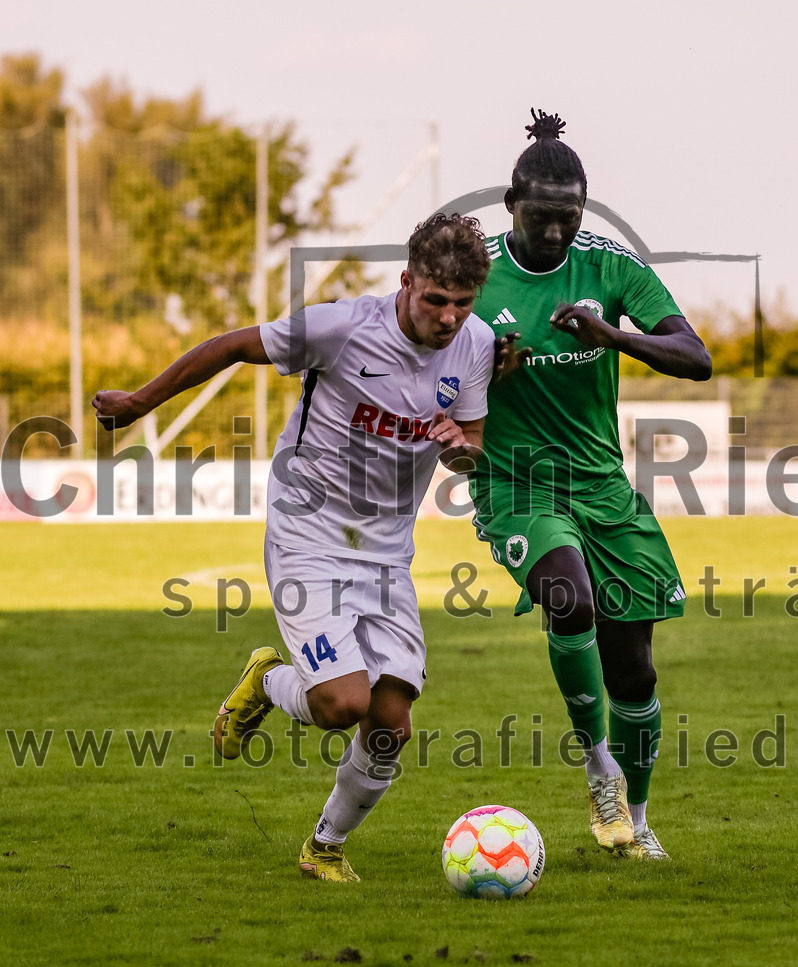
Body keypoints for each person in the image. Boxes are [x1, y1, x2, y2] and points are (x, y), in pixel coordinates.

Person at [92, 213, 494, 882]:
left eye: (462, 303)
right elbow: (230, 346)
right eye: (436, 300)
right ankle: (268, 680)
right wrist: (141, 401)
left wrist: (462, 451)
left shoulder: (475, 344)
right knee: (343, 704)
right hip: (307, 530)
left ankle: (324, 846)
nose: (449, 317)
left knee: (391, 719)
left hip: (388, 551)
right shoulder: (341, 328)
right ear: (406, 281)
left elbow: (472, 444)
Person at [470, 110, 712, 861]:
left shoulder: (610, 266)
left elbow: (694, 356)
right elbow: (415, 353)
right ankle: (596, 763)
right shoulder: (471, 268)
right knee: (568, 595)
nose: (555, 233)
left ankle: (634, 822)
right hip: (517, 484)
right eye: (542, 218)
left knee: (634, 669)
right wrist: (481, 373)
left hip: (604, 488)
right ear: (511, 202)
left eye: (568, 218)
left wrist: (615, 337)